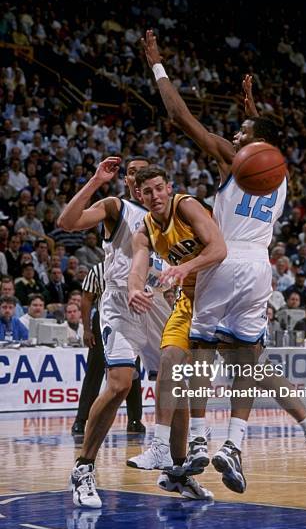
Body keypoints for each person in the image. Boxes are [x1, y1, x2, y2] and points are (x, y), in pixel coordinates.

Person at [134, 31, 306, 493]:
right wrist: (252, 109)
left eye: (241, 133)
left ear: (251, 146)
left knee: (201, 355)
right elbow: (264, 143)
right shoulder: (279, 175)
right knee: (249, 363)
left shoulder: (234, 159)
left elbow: (179, 116)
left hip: (222, 262)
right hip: (259, 267)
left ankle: (201, 441)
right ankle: (238, 444)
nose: (234, 135)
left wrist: (157, 65)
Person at [58, 156, 180, 509]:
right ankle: (83, 468)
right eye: (131, 173)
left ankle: (178, 471)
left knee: (176, 383)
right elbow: (67, 222)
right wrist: (96, 180)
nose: (138, 178)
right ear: (129, 183)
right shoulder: (117, 206)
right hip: (122, 302)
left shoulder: (171, 214)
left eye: (146, 174)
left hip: (157, 302)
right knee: (120, 383)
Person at [126, 165, 226, 494]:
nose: (154, 196)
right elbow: (138, 264)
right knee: (168, 357)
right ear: (139, 195)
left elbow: (218, 249)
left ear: (168, 188)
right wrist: (134, 290)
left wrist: (184, 267)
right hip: (189, 300)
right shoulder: (145, 229)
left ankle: (204, 438)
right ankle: (160, 447)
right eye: (147, 192)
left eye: (158, 188)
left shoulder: (187, 206)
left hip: (222, 297)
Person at [71, 262, 145, 436]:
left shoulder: (138, 265)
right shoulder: (98, 269)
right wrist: (87, 329)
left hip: (132, 319)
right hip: (104, 320)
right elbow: (87, 298)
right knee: (94, 372)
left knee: (132, 372)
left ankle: (135, 420)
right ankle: (81, 420)